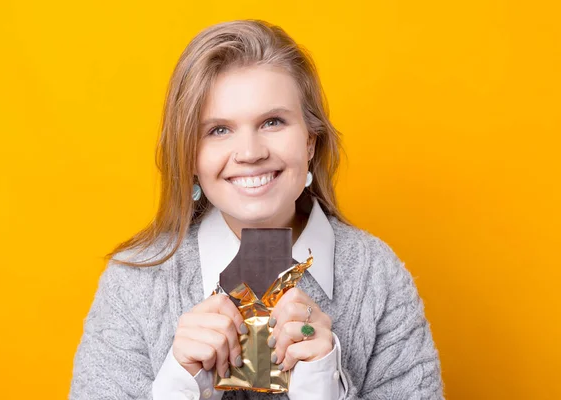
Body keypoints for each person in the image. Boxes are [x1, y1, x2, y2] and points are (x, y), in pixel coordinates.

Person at [69, 19, 444, 400]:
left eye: (272, 121)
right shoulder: (134, 284)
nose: (250, 153)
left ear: (310, 142)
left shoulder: (377, 277)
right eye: (218, 129)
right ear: (190, 156)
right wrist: (176, 387)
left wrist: (324, 389)